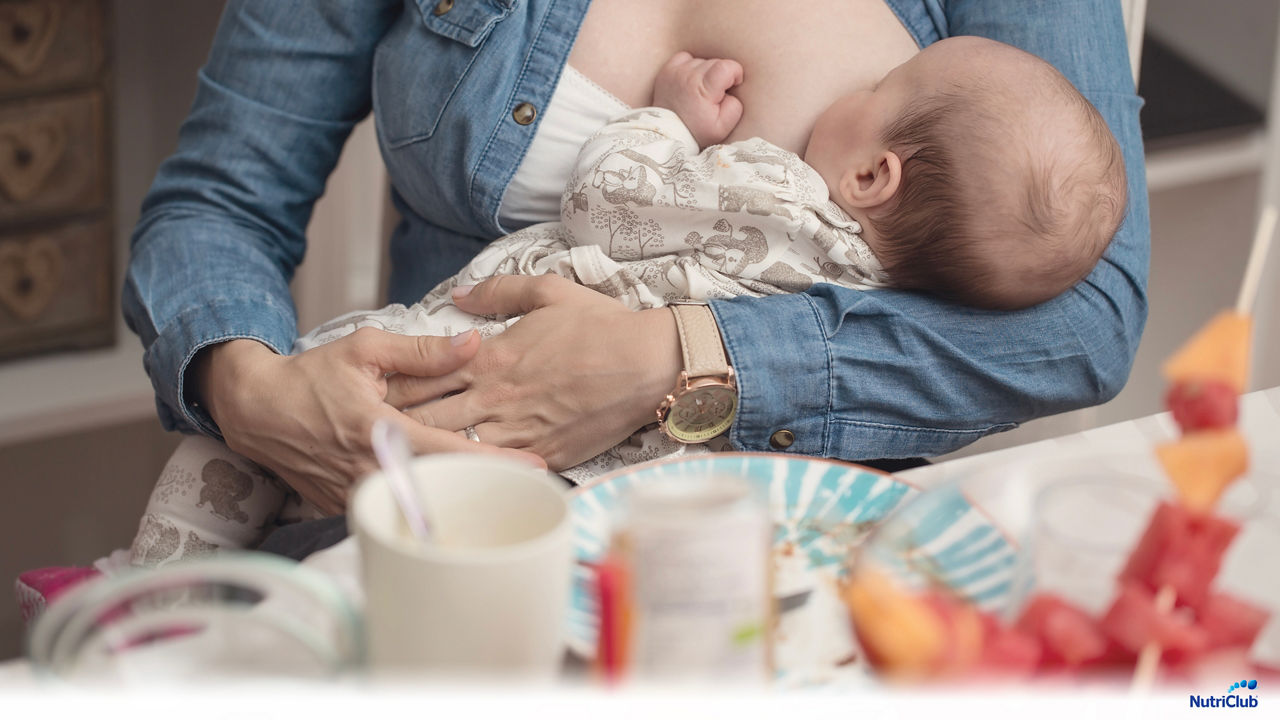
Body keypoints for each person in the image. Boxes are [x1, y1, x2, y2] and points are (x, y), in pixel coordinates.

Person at [123, 1, 1148, 526]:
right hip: (448, 472)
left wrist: (676, 361)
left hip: (785, 542)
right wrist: (246, 386)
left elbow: (1078, 319)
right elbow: (220, 195)